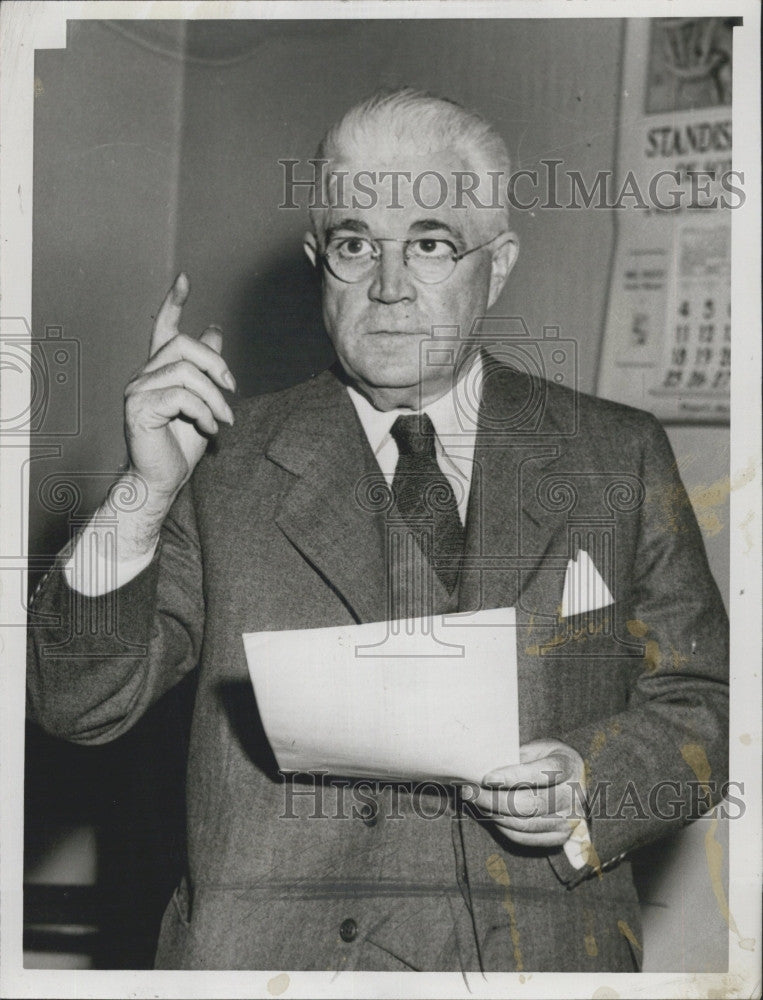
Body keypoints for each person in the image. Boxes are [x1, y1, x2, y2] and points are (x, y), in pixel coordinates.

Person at [27, 89, 728, 972]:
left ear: (496, 264)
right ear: (322, 261)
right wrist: (141, 490)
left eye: (430, 244)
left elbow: (704, 708)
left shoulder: (614, 455)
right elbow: (77, 705)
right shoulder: (222, 465)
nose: (389, 288)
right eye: (356, 245)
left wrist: (587, 783)